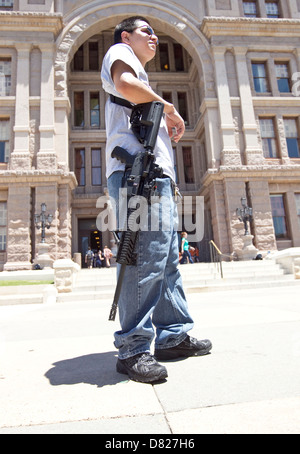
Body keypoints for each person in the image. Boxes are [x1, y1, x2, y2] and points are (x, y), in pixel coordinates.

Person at [101, 16, 212, 383]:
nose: (154, 37)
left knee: (165, 260)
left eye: (155, 33)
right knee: (143, 258)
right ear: (126, 36)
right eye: (145, 31)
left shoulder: (142, 73)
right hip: (138, 178)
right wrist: (168, 107)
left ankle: (173, 336)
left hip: (152, 178)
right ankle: (133, 347)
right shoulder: (120, 52)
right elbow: (125, 84)